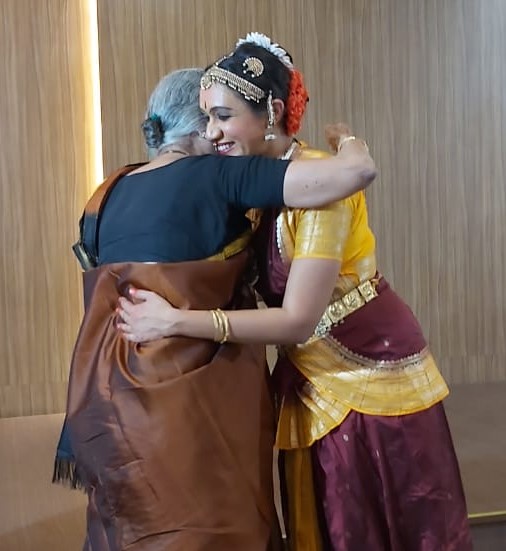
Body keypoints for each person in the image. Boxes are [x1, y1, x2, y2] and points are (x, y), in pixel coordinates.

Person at [118, 34, 472, 550]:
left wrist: (175, 321)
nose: (211, 134)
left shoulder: (318, 188)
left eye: (223, 117)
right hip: (306, 375)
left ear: (273, 112)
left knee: (368, 524)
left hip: (366, 375)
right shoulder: (254, 183)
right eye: (207, 119)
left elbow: (297, 320)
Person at [57, 65, 375, 551]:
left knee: (130, 530)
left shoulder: (108, 190)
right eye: (212, 119)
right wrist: (348, 139)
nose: (218, 134)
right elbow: (352, 175)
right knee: (210, 529)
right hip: (189, 408)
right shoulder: (216, 172)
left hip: (107, 401)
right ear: (197, 125)